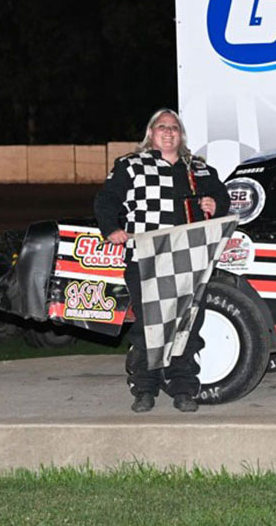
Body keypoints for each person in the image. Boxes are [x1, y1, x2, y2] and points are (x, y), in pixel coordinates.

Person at [94, 108, 229, 413]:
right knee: (148, 326)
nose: (169, 132)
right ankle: (145, 389)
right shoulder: (130, 165)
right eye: (162, 127)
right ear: (151, 134)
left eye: (174, 128)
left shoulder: (199, 169)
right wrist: (111, 229)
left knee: (187, 324)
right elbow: (105, 200)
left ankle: (183, 389)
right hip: (146, 258)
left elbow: (222, 199)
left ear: (181, 135)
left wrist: (215, 204)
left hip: (191, 260)